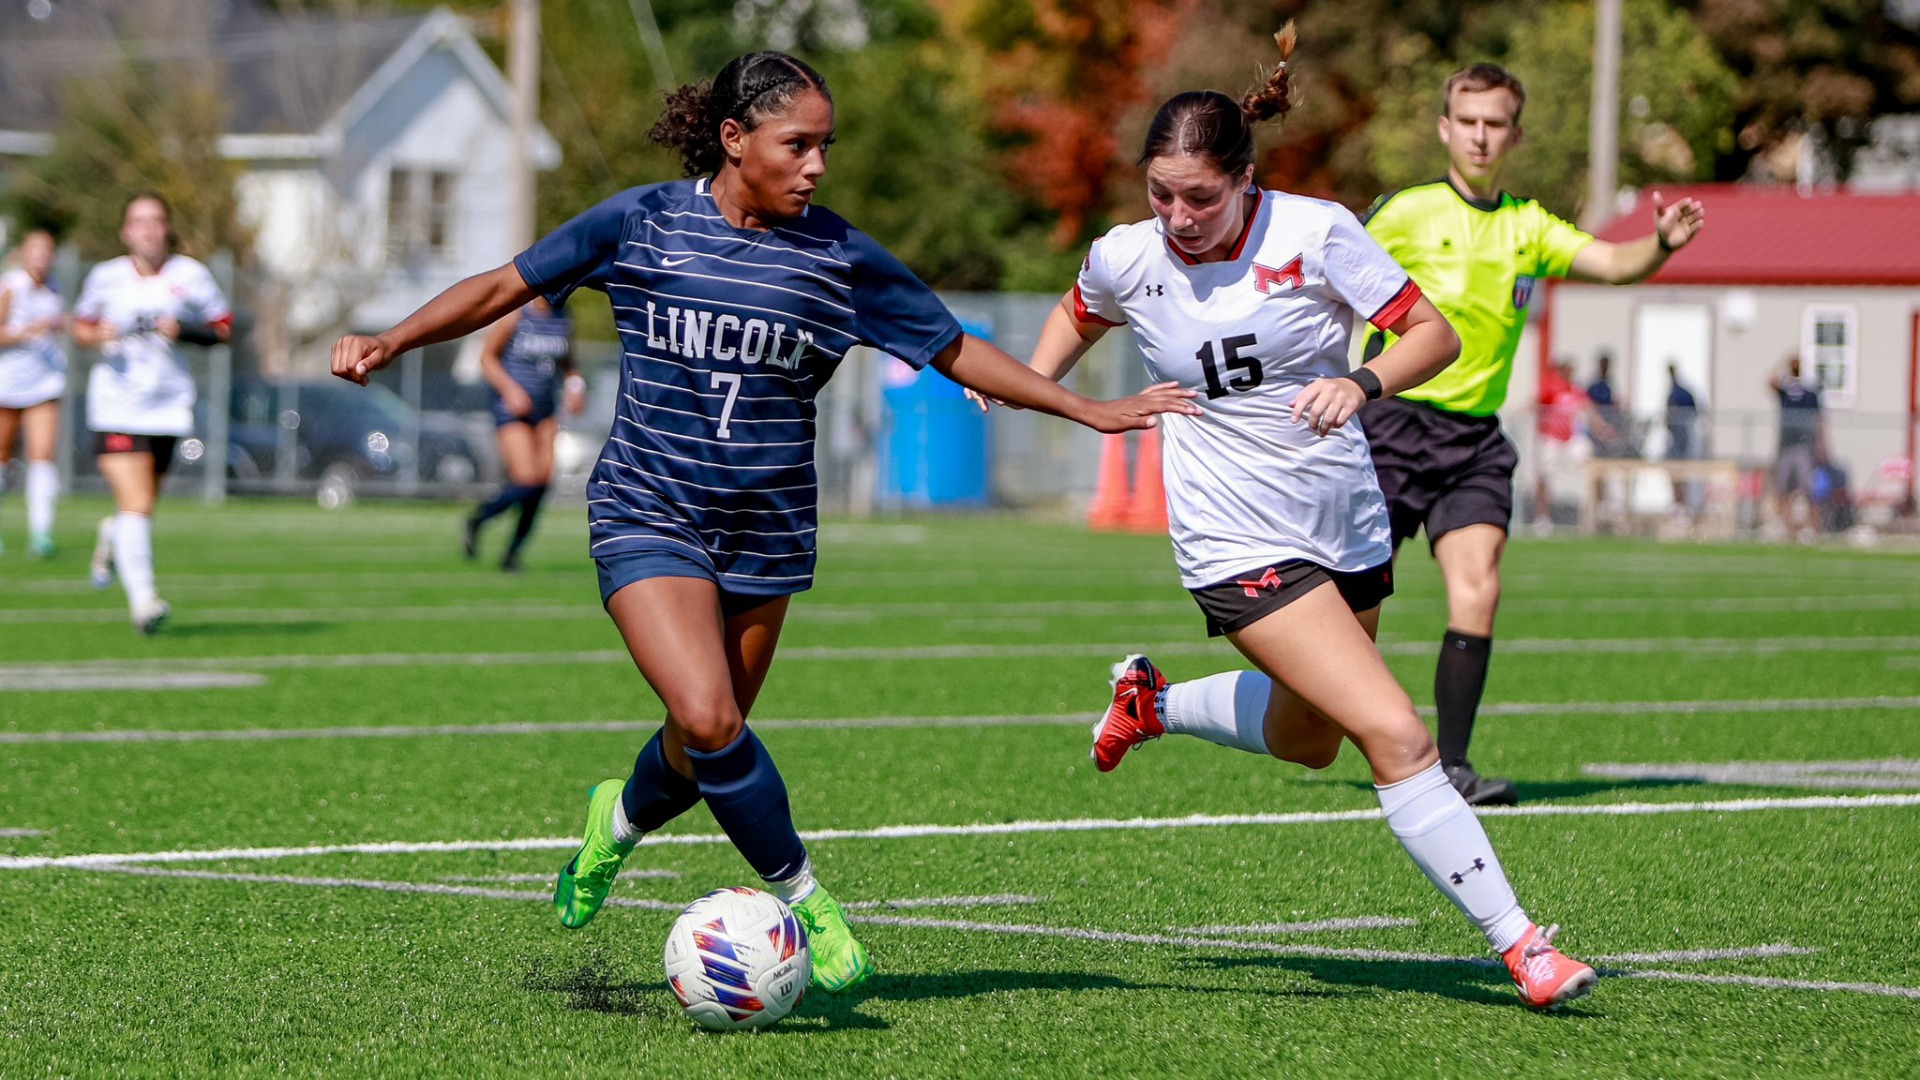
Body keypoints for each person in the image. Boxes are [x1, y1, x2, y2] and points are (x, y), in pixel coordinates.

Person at [329, 50, 1199, 996]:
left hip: (770, 527)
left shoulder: (840, 257)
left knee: (708, 735)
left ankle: (612, 824)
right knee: (709, 717)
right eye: (800, 144)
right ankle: (810, 904)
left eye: (826, 146)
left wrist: (1087, 410)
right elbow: (504, 285)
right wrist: (392, 338)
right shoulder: (643, 222)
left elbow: (956, 349)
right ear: (736, 140)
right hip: (647, 508)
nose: (818, 165)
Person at [1000, 29, 1596, 1009]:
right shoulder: (1128, 254)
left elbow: (1431, 335)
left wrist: (1361, 382)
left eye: (1200, 196)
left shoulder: (1315, 234)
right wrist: (1029, 384)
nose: (1179, 216)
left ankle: (1153, 703)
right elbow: (1080, 307)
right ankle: (1523, 946)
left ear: (1244, 180)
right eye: (1160, 193)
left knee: (1307, 738)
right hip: (1231, 543)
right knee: (1398, 739)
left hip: (1345, 522)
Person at [1359, 63, 1704, 805]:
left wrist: (1662, 244)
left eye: (1496, 124)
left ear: (1515, 133)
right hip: (1389, 429)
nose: (1482, 136)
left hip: (1475, 441)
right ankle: (1346, 722)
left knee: (1478, 591)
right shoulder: (1404, 214)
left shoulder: (1527, 225)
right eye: (1469, 121)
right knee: (1357, 605)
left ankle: (1448, 768)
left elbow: (1612, 263)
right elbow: (1330, 281)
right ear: (1446, 127)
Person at [71, 194, 232, 632]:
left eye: (155, 220)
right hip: (117, 405)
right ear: (125, 231)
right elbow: (80, 325)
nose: (147, 229)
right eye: (138, 221)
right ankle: (145, 601)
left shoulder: (190, 275)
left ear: (167, 228)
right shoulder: (105, 277)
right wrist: (94, 334)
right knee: (138, 503)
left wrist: (189, 331)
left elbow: (225, 327)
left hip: (168, 405)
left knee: (139, 508)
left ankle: (112, 533)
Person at [465, 296, 584, 571]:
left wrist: (575, 386)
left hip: (545, 410)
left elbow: (569, 363)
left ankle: (512, 553)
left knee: (542, 483)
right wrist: (510, 390)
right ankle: (479, 519)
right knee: (527, 479)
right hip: (513, 410)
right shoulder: (517, 315)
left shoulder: (562, 317)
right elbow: (487, 358)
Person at [0, 228, 68, 558]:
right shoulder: (11, 285)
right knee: (2, 457)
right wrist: (28, 332)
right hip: (8, 383)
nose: (42, 257)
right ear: (25, 253)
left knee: (43, 455)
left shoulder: (54, 288)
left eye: (47, 251)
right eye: (36, 250)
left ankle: (41, 534)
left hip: (44, 383)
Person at [1529, 358, 1609, 536]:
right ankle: (1542, 518)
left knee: (1593, 466)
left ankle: (1598, 510)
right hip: (1552, 439)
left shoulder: (1576, 391)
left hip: (1572, 439)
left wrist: (1602, 428)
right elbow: (1534, 404)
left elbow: (1590, 410)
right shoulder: (1551, 388)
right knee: (1544, 476)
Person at [1769, 354, 1825, 537]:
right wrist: (1782, 364)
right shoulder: (1786, 390)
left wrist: (1822, 446)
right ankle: (1783, 525)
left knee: (1807, 489)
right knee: (1783, 488)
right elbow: (1770, 381)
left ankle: (1811, 527)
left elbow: (1819, 419)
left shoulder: (1809, 392)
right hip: (1786, 446)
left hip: (1804, 447)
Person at [1664, 364, 1700, 512]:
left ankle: (1682, 503)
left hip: (1680, 443)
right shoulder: (1675, 390)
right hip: (1676, 442)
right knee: (1674, 472)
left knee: (1680, 473)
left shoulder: (1679, 392)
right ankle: (1678, 503)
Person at [1585, 350, 1630, 458]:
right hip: (1598, 419)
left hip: (1609, 418)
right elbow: (1590, 400)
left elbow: (1613, 399)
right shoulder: (1594, 382)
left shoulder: (1610, 382)